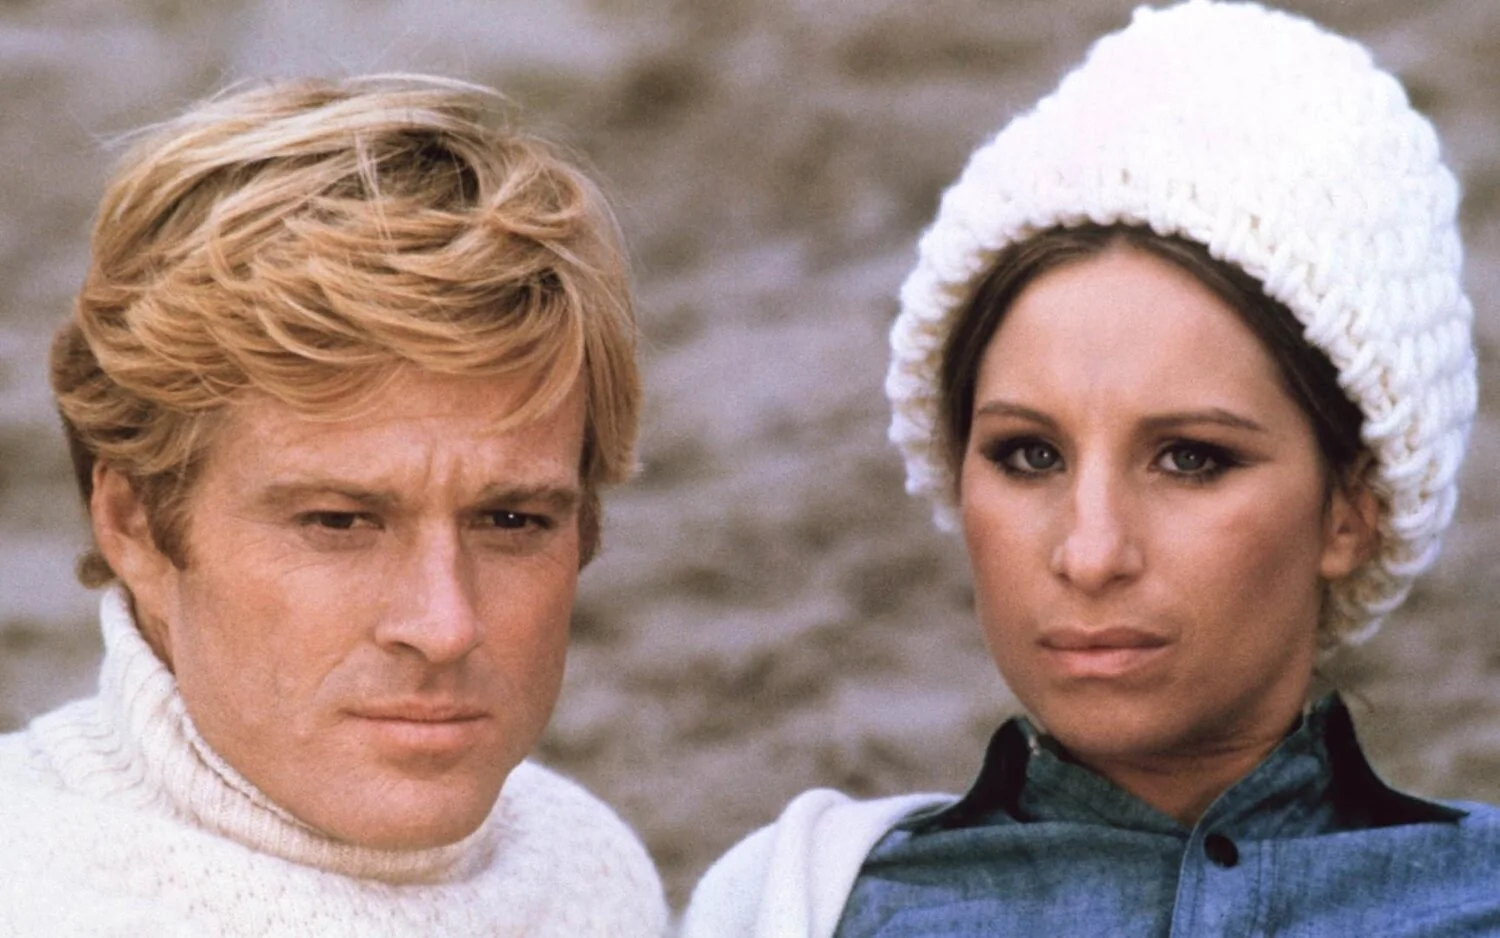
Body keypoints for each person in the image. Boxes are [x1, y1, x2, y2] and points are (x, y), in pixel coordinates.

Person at [682, 2, 1500, 935]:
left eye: (1191, 458)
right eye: (1029, 456)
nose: (1091, 552)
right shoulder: (805, 906)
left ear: (1352, 510)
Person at [0, 75, 667, 936]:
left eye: (511, 522)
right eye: (339, 523)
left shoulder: (590, 873)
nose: (444, 626)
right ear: (134, 525)